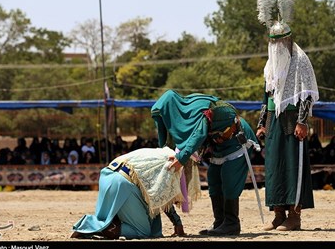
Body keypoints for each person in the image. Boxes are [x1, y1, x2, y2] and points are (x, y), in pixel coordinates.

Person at [151, 89, 260, 236]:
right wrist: (163, 153)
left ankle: (232, 223)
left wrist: (182, 159)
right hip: (219, 147)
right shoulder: (184, 111)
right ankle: (220, 222)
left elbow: (200, 133)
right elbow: (166, 138)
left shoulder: (197, 108)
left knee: (229, 180)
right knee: (214, 178)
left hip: (236, 142)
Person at [256, 0, 319, 231]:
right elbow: (266, 96)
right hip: (274, 121)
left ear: (287, 39)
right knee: (274, 168)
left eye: (279, 42)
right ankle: (278, 214)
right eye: (272, 42)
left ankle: (295, 217)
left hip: (293, 121)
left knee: (293, 167)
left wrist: (303, 121)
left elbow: (306, 94)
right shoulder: (271, 64)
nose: (276, 47)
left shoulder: (300, 60)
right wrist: (261, 124)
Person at [70, 146, 200, 240]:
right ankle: (93, 225)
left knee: (152, 221)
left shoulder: (162, 151)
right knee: (142, 231)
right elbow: (163, 196)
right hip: (122, 183)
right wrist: (177, 223)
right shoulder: (172, 163)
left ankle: (113, 221)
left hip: (108, 176)